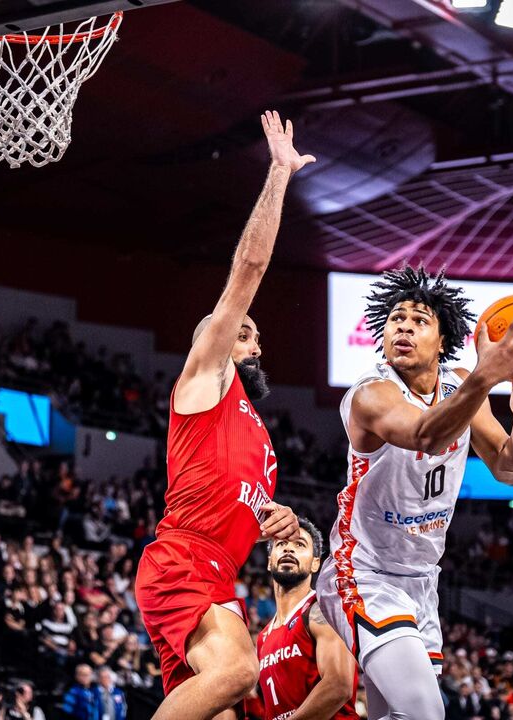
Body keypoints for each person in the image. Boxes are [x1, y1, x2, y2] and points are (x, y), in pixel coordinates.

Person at [134, 110, 312, 720]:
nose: (250, 340)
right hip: (183, 560)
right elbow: (250, 270)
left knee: (226, 708)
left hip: (219, 571)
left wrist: (275, 518)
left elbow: (237, 506)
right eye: (239, 330)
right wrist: (279, 173)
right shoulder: (206, 377)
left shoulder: (258, 434)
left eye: (252, 334)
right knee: (239, 671)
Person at [315, 267, 513, 720]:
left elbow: (509, 469)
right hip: (363, 571)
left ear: (444, 341)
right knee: (426, 712)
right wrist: (483, 377)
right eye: (396, 319)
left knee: (394, 715)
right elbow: (425, 435)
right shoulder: (371, 394)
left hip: (423, 580)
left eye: (419, 320)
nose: (403, 327)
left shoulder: (459, 384)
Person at [256, 517, 358, 719]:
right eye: (281, 544)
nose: (288, 549)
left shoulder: (321, 611)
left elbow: (338, 686)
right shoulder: (263, 637)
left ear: (315, 563)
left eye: (300, 544)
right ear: (269, 562)